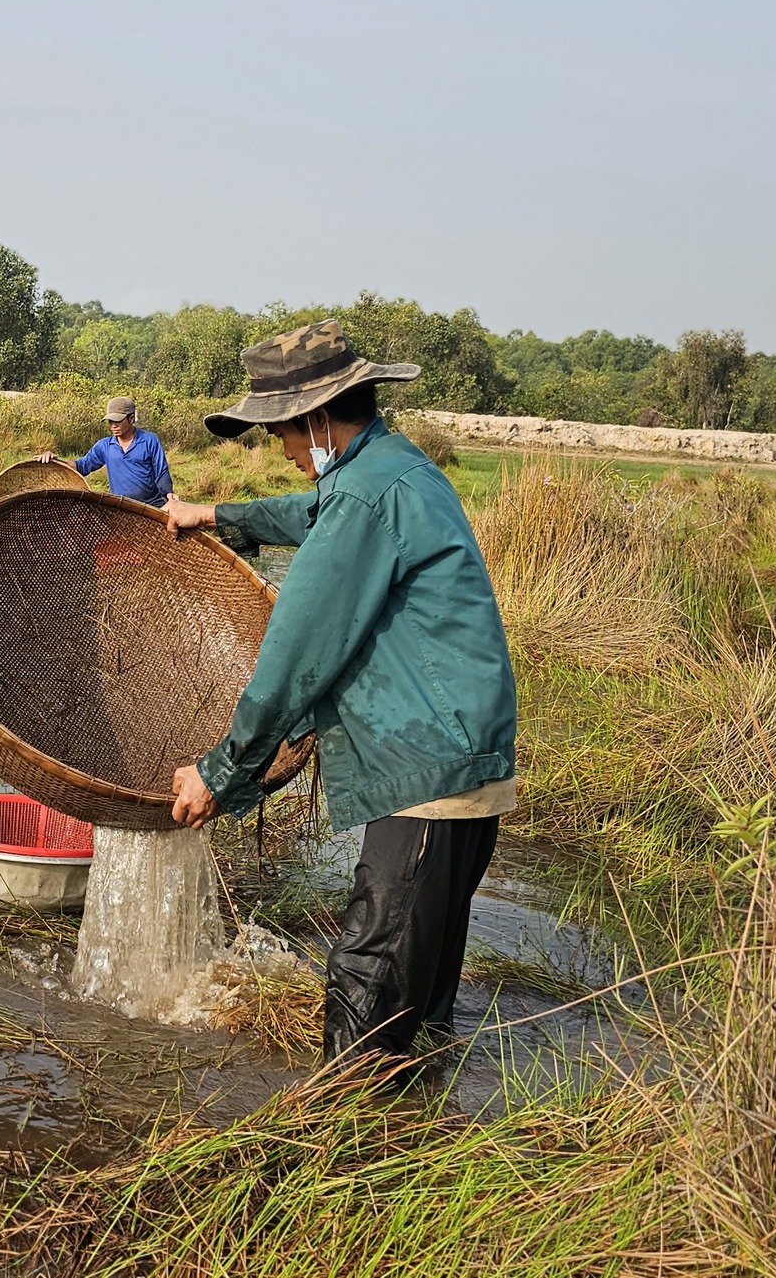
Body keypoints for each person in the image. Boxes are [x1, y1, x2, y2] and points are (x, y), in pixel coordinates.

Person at [157, 319, 518, 1067]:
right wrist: (219, 517)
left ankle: (340, 1154)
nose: (284, 449)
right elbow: (313, 513)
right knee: (420, 1007)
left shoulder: (361, 497)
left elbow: (294, 659)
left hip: (428, 773)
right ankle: (420, 1148)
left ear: (317, 417)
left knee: (368, 996)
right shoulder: (392, 468)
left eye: (283, 432)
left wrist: (222, 770)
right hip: (465, 770)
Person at [43, 395, 174, 506]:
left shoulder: (149, 440)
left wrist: (169, 495)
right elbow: (81, 466)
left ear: (131, 419)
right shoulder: (104, 446)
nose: (113, 425)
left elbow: (161, 472)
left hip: (152, 505)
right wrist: (56, 461)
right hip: (121, 506)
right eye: (110, 421)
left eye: (118, 421)